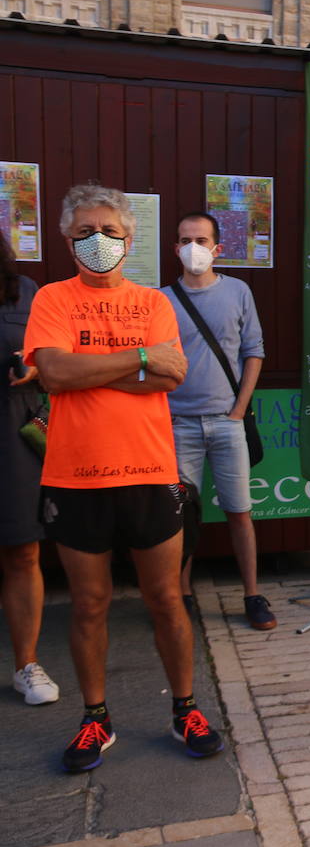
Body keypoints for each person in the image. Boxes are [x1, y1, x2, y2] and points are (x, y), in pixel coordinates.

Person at [24, 183, 223, 772]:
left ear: (131, 239)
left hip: (149, 471)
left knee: (167, 599)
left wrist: (86, 370)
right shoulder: (52, 300)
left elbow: (170, 378)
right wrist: (137, 359)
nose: (99, 242)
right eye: (86, 231)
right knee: (88, 604)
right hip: (75, 476)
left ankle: (185, 707)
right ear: (66, 239)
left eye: (110, 232)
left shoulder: (154, 303)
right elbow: (54, 372)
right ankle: (95, 719)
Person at [160, 213, 274, 630]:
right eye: (186, 239)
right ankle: (182, 594)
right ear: (175, 248)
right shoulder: (162, 299)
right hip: (178, 424)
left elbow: (254, 351)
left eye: (202, 239)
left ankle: (252, 594)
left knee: (239, 512)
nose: (194, 246)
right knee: (180, 516)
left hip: (229, 423)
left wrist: (240, 409)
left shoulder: (238, 291)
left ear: (217, 248)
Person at [1, 230, 59, 706]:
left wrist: (33, 369)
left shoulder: (25, 291)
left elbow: (50, 357)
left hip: (12, 432)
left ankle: (26, 664)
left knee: (22, 552)